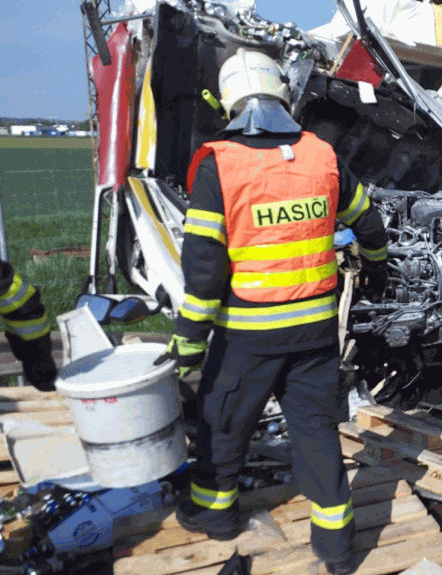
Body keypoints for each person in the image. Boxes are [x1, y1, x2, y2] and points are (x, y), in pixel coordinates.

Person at [156, 48, 388, 575]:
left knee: (222, 422)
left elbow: (205, 271)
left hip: (248, 335)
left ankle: (216, 517)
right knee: (316, 430)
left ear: (228, 101)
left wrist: (189, 341)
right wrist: (376, 265)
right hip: (315, 333)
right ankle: (336, 547)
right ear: (283, 91)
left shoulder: (219, 163)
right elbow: (369, 223)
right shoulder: (321, 155)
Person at [0, 251, 57, 391]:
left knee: (34, 339)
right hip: (15, 297)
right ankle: (43, 377)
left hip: (14, 297)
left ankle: (43, 377)